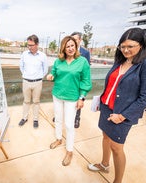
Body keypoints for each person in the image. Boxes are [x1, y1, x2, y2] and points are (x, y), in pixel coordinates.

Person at [87, 28, 146, 183]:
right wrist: (102, 100)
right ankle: (104, 164)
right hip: (107, 107)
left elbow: (145, 97)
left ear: (141, 45)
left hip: (123, 112)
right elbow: (113, 84)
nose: (125, 50)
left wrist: (122, 116)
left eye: (130, 46)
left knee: (116, 147)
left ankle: (117, 181)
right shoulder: (120, 60)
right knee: (105, 136)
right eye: (122, 46)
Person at [47, 36, 92, 166]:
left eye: (72, 45)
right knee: (58, 119)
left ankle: (69, 151)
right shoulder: (58, 61)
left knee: (69, 124)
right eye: (68, 46)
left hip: (72, 98)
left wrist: (82, 97)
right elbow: (54, 73)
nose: (71, 48)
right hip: (57, 95)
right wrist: (51, 76)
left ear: (76, 46)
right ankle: (58, 139)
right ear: (63, 48)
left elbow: (86, 80)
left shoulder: (82, 61)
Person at [19, 34, 48, 128]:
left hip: (37, 82)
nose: (29, 47)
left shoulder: (43, 56)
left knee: (36, 101)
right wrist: (27, 75)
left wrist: (38, 77)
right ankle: (24, 118)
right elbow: (21, 67)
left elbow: (45, 70)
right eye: (28, 45)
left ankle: (35, 119)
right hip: (26, 82)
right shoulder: (24, 54)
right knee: (26, 101)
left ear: (37, 44)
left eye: (31, 45)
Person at [71, 31, 91, 128]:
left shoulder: (85, 53)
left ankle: (77, 118)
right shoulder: (67, 50)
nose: (73, 42)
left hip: (79, 82)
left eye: (75, 39)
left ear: (80, 40)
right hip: (69, 81)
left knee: (79, 100)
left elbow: (87, 69)